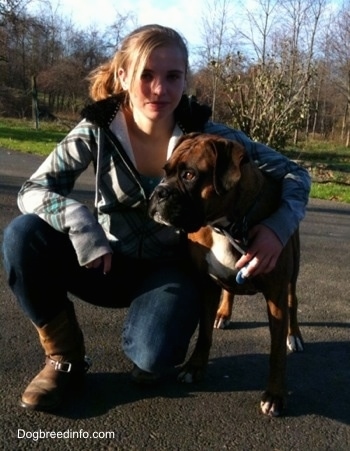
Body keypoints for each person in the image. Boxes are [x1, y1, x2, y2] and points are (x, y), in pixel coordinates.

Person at [2, 24, 311, 412]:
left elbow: (296, 173)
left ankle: (153, 341)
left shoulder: (208, 137)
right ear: (123, 75)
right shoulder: (97, 129)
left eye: (172, 76)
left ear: (185, 80)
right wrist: (79, 223)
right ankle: (63, 360)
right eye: (146, 75)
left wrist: (277, 230)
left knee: (152, 356)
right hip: (104, 261)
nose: (160, 89)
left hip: (168, 273)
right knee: (22, 237)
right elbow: (32, 190)